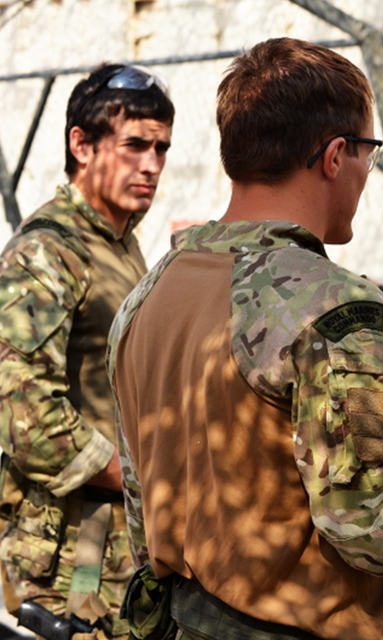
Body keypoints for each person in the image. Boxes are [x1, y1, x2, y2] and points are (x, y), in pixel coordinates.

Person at [106, 37, 383, 640]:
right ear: (333, 156)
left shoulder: (149, 294)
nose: (364, 176)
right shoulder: (332, 305)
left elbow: (142, 501)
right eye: (367, 155)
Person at [0, 64, 174, 638]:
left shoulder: (120, 244)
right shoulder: (49, 250)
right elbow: (25, 417)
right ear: (81, 144)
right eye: (134, 146)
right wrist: (142, 475)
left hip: (122, 549)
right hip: (75, 560)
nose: (150, 165)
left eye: (161, 149)